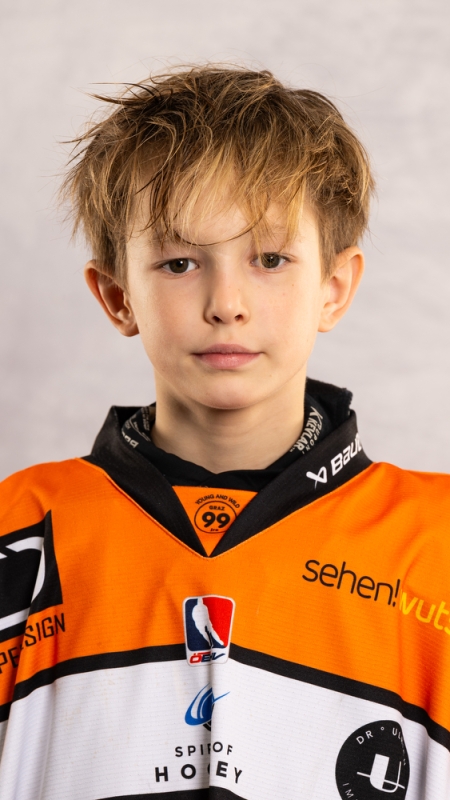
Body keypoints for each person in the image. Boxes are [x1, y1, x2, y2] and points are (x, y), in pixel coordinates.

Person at [0, 64, 448, 800]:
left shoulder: (436, 547)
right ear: (117, 295)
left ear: (334, 288)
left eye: (270, 259)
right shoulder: (21, 529)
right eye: (179, 262)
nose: (227, 303)